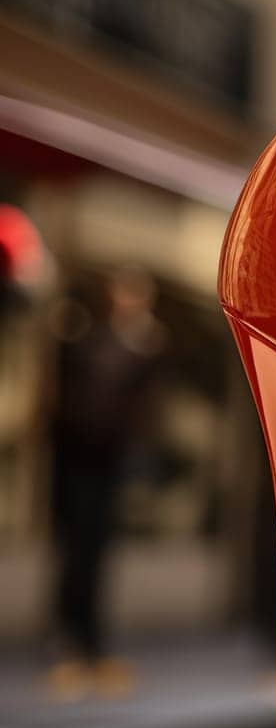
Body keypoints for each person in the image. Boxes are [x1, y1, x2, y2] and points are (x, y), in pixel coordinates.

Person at [44, 268, 166, 696]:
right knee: (74, 549)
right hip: (78, 461)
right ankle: (71, 634)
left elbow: (145, 411)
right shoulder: (85, 339)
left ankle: (90, 640)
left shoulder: (145, 346)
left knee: (97, 552)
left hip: (110, 464)